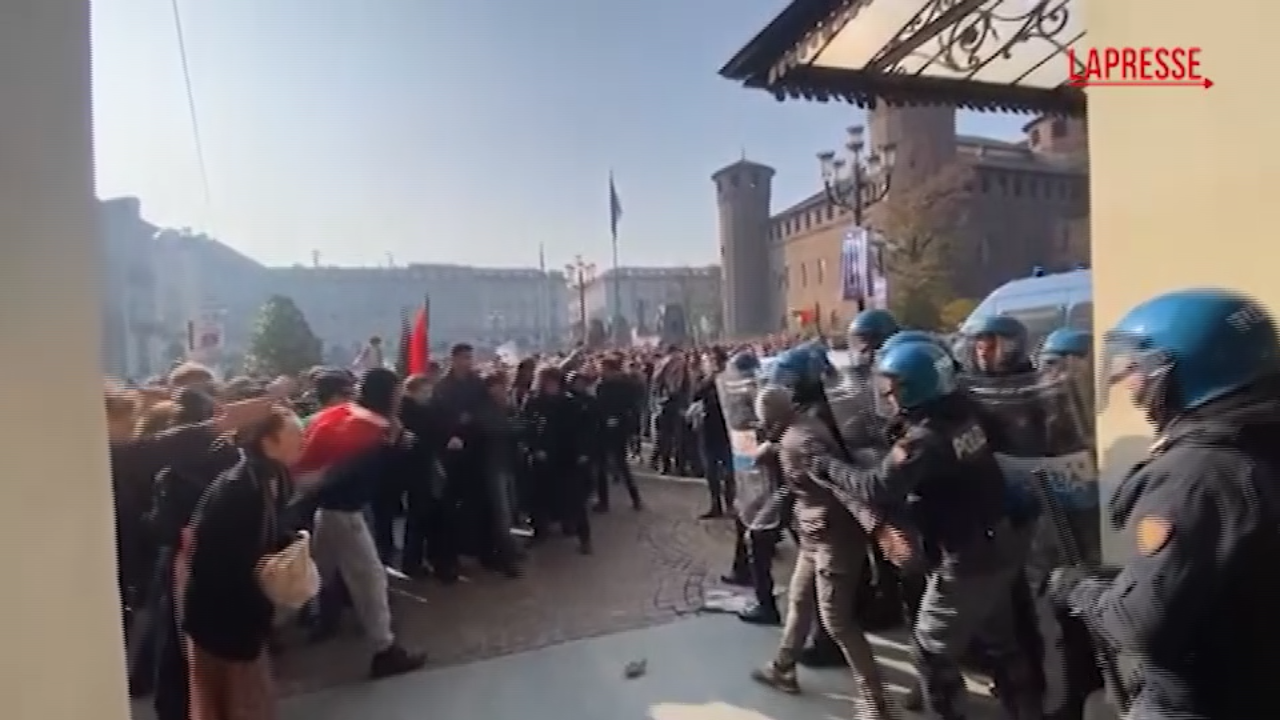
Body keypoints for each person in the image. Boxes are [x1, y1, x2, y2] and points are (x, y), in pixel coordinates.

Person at [1048, 288, 1280, 720]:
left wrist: (1081, 590)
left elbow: (1139, 625)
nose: (1130, 386)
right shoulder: (1259, 439)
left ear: (1187, 373)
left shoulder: (1197, 475)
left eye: (1137, 370)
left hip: (1206, 699)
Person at [820, 339, 1043, 719]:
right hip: (1000, 539)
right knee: (999, 639)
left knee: (930, 652)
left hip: (967, 557)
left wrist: (828, 468)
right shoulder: (965, 411)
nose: (887, 396)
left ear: (917, 387)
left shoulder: (923, 442)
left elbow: (878, 488)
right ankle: (1025, 710)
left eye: (894, 387)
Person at [749, 346, 896, 720]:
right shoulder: (800, 427)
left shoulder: (803, 442)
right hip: (814, 534)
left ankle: (873, 700)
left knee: (838, 621)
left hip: (835, 538)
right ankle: (783, 667)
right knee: (799, 601)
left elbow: (841, 484)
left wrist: (875, 526)